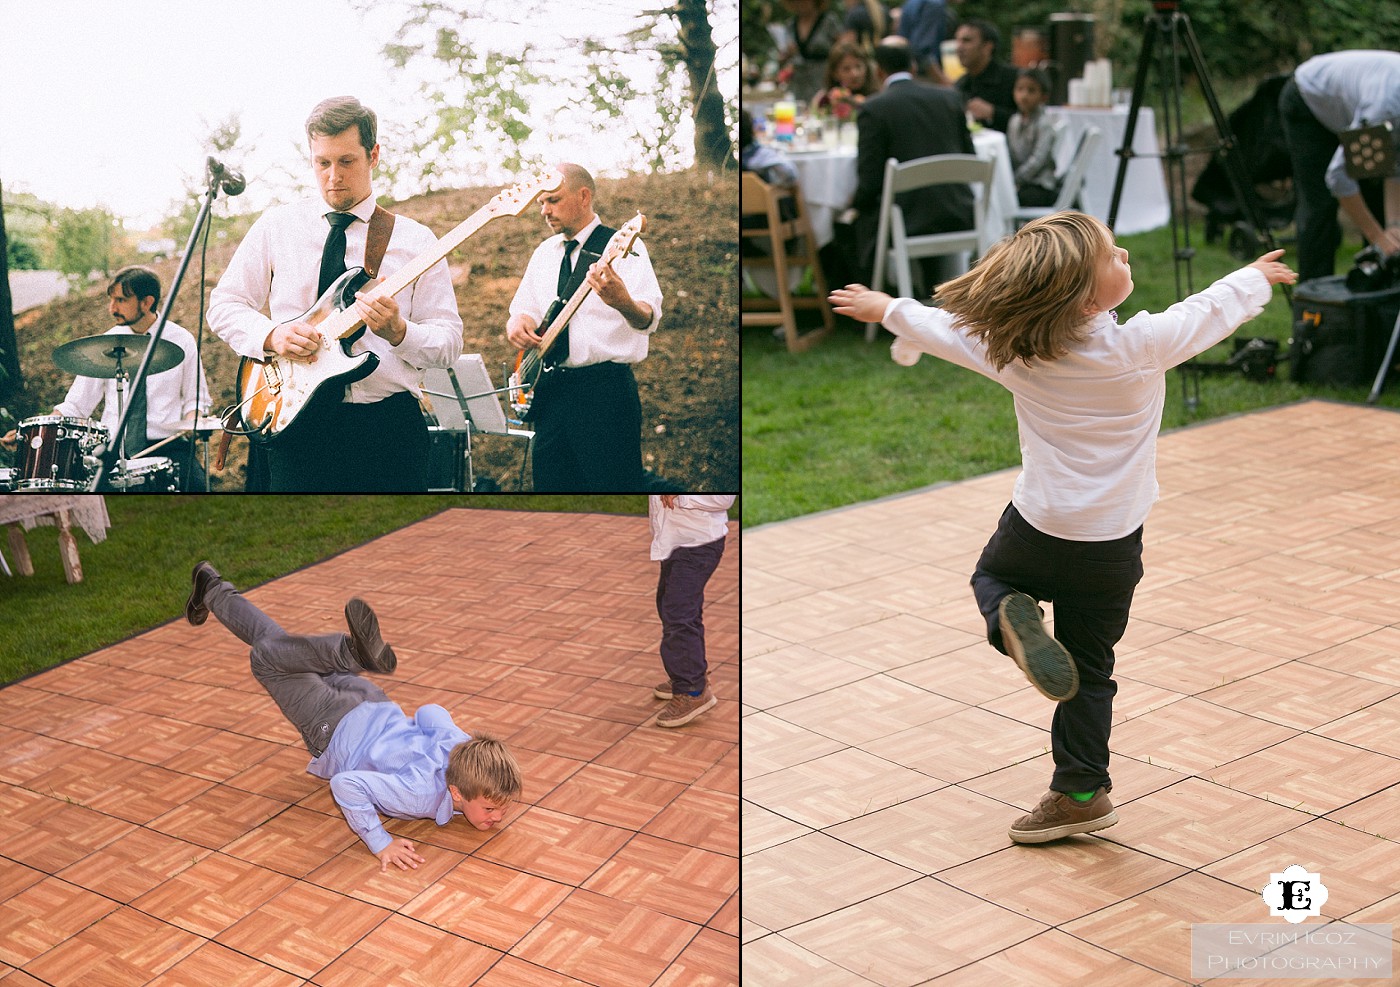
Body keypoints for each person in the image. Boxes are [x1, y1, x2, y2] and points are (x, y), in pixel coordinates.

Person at [829, 212, 1296, 843]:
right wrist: (1254, 278)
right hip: (1113, 546)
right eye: (1112, 254)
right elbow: (1209, 310)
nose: (1124, 252)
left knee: (992, 576)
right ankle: (1079, 790)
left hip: (1039, 529)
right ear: (1084, 295)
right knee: (1092, 668)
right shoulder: (1143, 347)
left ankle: (1012, 615)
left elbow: (943, 330)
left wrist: (888, 308)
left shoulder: (1012, 353)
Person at [184, 561, 522, 872]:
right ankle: (346, 651)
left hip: (371, 701)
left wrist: (456, 740)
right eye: (490, 809)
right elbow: (345, 785)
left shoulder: (459, 748)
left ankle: (211, 588)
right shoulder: (418, 794)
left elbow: (429, 712)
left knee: (279, 648)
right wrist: (381, 842)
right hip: (331, 725)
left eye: (501, 808)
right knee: (267, 658)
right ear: (457, 793)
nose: (497, 816)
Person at [208, 96, 464, 492]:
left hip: (387, 430)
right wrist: (272, 336)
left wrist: (399, 331)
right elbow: (224, 305)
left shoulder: (417, 241)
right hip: (294, 422)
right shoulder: (277, 226)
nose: (333, 176)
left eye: (347, 162)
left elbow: (449, 344)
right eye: (322, 163)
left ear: (373, 155)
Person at [506, 163, 663, 492]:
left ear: (584, 196)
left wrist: (623, 302)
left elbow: (648, 318)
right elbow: (525, 308)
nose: (544, 210)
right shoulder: (544, 253)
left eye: (553, 200)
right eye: (541, 203)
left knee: (614, 494)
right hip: (549, 391)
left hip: (603, 393)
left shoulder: (621, 247)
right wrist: (518, 323)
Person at [2, 266, 212, 491]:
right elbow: (76, 405)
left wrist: (193, 421)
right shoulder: (104, 344)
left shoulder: (181, 340)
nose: (112, 308)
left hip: (167, 445)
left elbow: (195, 399)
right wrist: (37, 434)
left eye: (121, 300)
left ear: (147, 302)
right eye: (111, 300)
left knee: (199, 490)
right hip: (111, 448)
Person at [843, 37, 975, 288]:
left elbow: (870, 181)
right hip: (958, 211)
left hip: (907, 219)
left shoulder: (874, 108)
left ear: (879, 71)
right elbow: (969, 158)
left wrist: (853, 205)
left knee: (847, 226)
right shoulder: (949, 98)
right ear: (913, 66)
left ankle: (862, 306)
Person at [1278, 50, 1400, 283]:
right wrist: (1377, 237)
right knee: (1320, 205)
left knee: (1377, 205)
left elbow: (1395, 167)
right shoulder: (1384, 108)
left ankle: (1378, 303)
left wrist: (1393, 226)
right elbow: (1338, 176)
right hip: (1309, 101)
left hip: (1351, 105)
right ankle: (1313, 304)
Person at [649, 494, 736, 728]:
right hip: (674, 541)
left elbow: (724, 499)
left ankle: (692, 690)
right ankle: (690, 673)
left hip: (699, 544)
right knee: (674, 608)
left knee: (678, 614)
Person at [1007, 68, 1060, 208]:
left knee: (1011, 199)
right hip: (1019, 182)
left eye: (1031, 91)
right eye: (1020, 89)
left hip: (1040, 185)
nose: (1024, 95)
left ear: (1043, 96)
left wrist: (1016, 180)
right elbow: (1011, 154)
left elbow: (1038, 160)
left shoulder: (1044, 124)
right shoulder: (1014, 121)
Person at [953, 19, 1018, 132]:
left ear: (987, 47)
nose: (959, 47)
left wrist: (993, 113)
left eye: (966, 41)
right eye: (957, 41)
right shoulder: (960, 85)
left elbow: (1034, 122)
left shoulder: (1015, 79)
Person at [777, 0, 847, 103]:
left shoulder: (828, 21)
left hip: (823, 77)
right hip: (800, 81)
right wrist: (787, 54)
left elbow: (843, 47)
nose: (802, 3)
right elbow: (784, 54)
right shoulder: (791, 25)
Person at [811, 41, 877, 117]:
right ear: (835, 73)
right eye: (846, 69)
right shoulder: (824, 100)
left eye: (858, 67)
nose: (854, 74)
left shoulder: (878, 97)